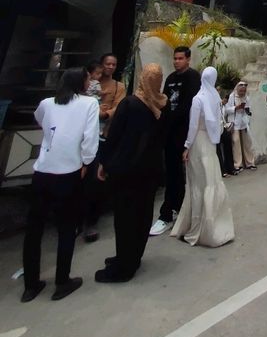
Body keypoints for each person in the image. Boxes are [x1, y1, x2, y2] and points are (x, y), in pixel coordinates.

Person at [21, 67, 99, 302]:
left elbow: (40, 120)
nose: (90, 81)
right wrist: (86, 161)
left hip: (42, 172)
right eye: (88, 78)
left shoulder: (47, 103)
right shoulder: (89, 104)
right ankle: (62, 281)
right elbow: (90, 138)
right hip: (69, 172)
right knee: (66, 227)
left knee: (34, 229)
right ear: (81, 82)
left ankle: (31, 285)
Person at [95, 63, 168, 282]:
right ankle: (132, 258)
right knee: (143, 215)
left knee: (125, 218)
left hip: (127, 171)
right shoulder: (162, 105)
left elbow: (114, 136)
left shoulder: (130, 104)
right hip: (150, 171)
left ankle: (123, 268)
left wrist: (104, 163)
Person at [171, 67, 235, 247]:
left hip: (198, 143)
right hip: (210, 144)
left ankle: (195, 230)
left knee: (197, 185)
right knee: (211, 182)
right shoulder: (215, 97)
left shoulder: (198, 99)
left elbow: (192, 127)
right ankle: (214, 227)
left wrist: (186, 147)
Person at [150, 46, 201, 236]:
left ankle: (185, 211)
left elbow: (189, 106)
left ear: (188, 59)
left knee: (187, 175)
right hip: (169, 135)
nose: (176, 61)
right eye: (175, 58)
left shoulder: (193, 78)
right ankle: (171, 211)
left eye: (180, 58)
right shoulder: (171, 79)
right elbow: (164, 102)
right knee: (172, 174)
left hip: (186, 135)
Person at [78, 61, 105, 243]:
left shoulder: (91, 102)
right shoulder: (58, 102)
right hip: (77, 150)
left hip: (92, 148)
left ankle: (89, 222)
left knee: (92, 185)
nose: (91, 81)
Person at [225, 80, 256, 173]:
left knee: (247, 143)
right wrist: (236, 108)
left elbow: (249, 107)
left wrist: (246, 110)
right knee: (236, 142)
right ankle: (238, 164)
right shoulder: (232, 96)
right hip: (234, 123)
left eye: (244, 91)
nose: (242, 92)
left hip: (244, 122)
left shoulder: (246, 97)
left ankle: (250, 163)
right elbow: (227, 109)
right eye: (241, 91)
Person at [98, 53, 125, 138]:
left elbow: (118, 106)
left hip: (105, 129)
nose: (111, 67)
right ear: (101, 65)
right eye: (108, 64)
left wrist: (106, 114)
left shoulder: (119, 86)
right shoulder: (90, 83)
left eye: (114, 65)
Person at [216, 89, 236, 177]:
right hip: (215, 129)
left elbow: (223, 117)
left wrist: (227, 125)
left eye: (226, 101)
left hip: (223, 127)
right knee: (218, 150)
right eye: (224, 100)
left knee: (228, 144)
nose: (225, 102)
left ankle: (230, 168)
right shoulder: (215, 105)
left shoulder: (223, 106)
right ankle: (222, 171)